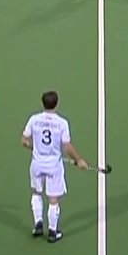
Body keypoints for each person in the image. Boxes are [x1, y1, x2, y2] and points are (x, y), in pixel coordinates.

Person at [20, 90, 93, 244]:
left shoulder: (34, 119)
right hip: (53, 166)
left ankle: (38, 224)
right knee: (53, 199)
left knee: (36, 193)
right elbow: (67, 147)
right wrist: (79, 160)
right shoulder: (62, 123)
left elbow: (24, 141)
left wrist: (34, 147)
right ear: (56, 104)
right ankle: (52, 232)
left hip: (37, 164)